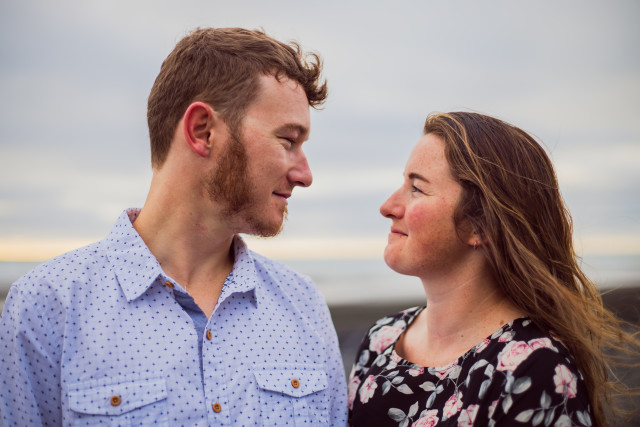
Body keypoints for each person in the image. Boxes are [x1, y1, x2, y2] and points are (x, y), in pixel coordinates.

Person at [0, 27, 347, 426]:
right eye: (287, 140)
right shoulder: (46, 308)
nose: (305, 174)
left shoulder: (304, 306)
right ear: (202, 131)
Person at [347, 112, 638, 426]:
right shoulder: (382, 337)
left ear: (480, 224)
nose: (388, 206)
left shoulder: (534, 370)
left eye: (416, 188)